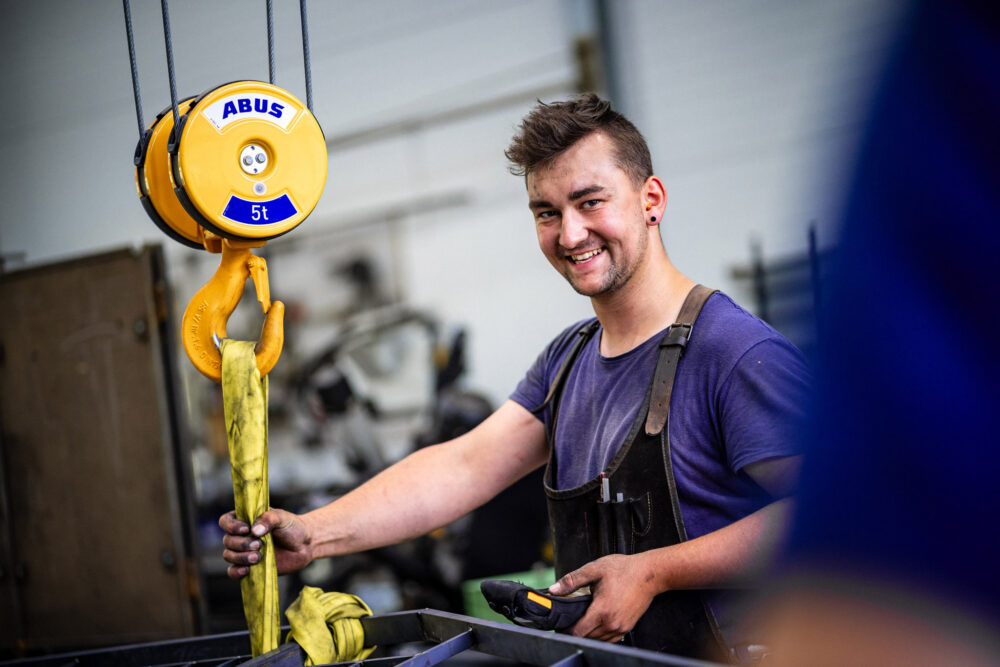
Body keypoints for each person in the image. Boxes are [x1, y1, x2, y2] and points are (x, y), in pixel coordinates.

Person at [221, 94, 810, 660]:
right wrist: (314, 532)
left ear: (651, 198)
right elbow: (462, 466)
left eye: (590, 202)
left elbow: (833, 511)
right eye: (547, 213)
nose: (570, 234)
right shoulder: (568, 361)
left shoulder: (733, 353)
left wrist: (654, 572)